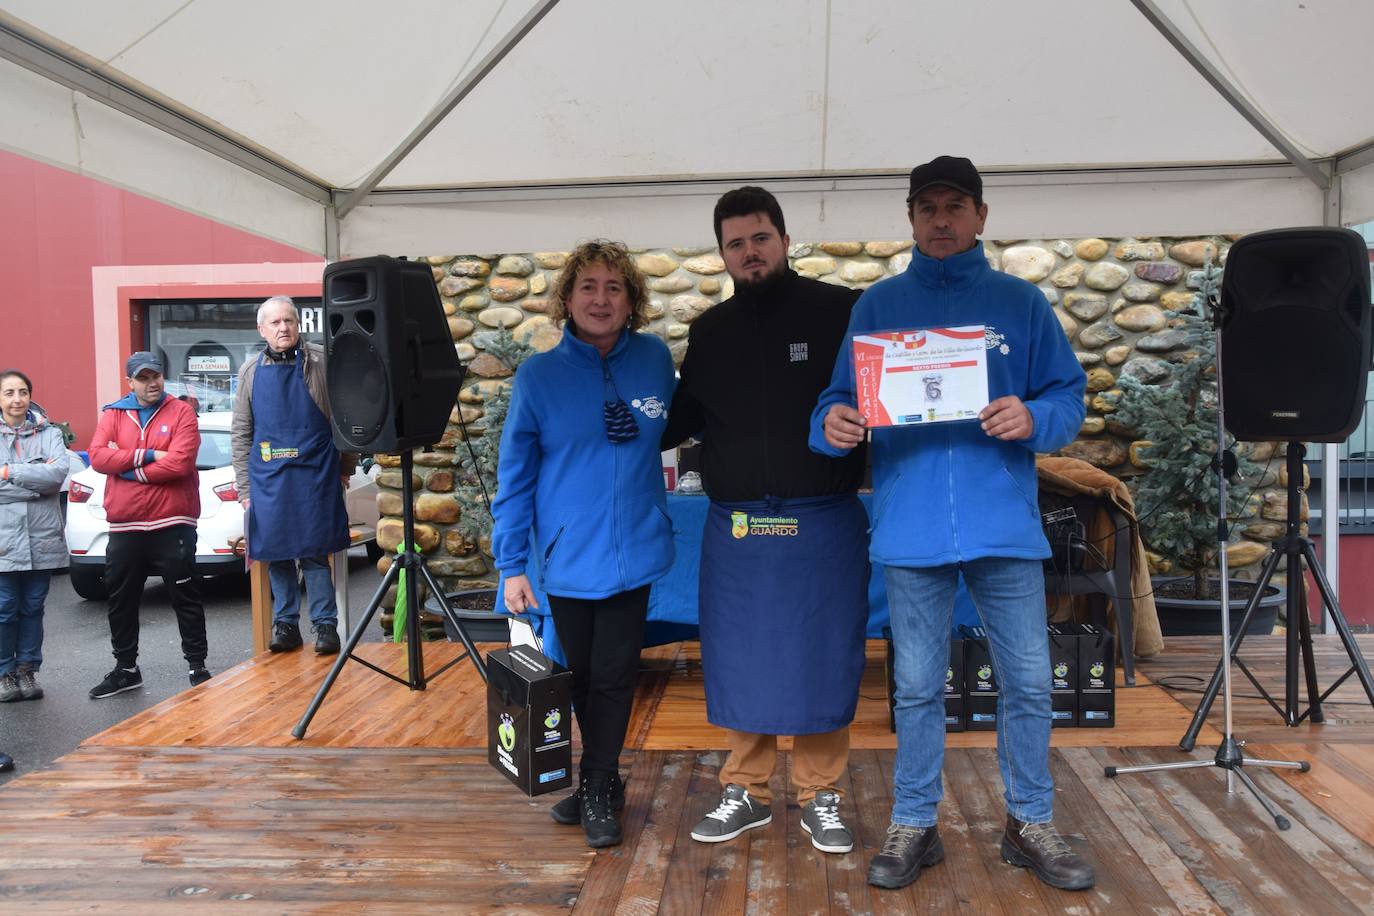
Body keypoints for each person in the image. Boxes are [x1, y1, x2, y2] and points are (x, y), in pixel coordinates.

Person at [812, 155, 1093, 890]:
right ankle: (915, 823)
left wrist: (1034, 416)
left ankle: (1029, 821)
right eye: (927, 208)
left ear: (981, 217)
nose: (941, 220)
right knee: (913, 689)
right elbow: (835, 400)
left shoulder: (1021, 303)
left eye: (955, 206)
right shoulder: (875, 305)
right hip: (909, 527)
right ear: (910, 219)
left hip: (1003, 524)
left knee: (1030, 681)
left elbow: (1068, 396)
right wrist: (833, 423)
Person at [662, 187, 869, 855]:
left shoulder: (841, 312)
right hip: (741, 525)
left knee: (824, 653)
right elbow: (680, 417)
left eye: (760, 238)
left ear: (784, 238)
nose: (749, 253)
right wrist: (613, 409)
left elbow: (881, 398)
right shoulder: (710, 332)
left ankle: (821, 795)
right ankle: (745, 791)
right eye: (735, 243)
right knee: (739, 656)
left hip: (823, 517)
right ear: (722, 254)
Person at [493, 240, 675, 849]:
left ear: (632, 301)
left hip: (637, 551)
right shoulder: (538, 377)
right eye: (589, 287)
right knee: (577, 673)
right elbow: (514, 478)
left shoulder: (654, 361)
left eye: (615, 288)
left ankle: (597, 782)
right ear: (567, 299)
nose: (601, 299)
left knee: (617, 673)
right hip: (567, 558)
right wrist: (511, 563)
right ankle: (604, 777)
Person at [231, 296, 354, 656]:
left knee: (315, 553)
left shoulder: (321, 362)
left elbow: (344, 420)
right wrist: (244, 489)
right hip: (268, 479)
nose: (283, 328)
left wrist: (345, 469)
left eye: (288, 320)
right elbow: (241, 433)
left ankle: (325, 626)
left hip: (316, 475)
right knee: (277, 554)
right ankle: (285, 625)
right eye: (275, 323)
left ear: (298, 324)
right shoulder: (250, 372)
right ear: (261, 329)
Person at [87, 352, 211, 697]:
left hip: (172, 521)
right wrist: (152, 454)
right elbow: (97, 457)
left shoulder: (182, 411)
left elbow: (181, 464)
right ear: (130, 382)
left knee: (185, 595)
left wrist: (125, 466)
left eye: (155, 375)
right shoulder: (114, 413)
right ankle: (126, 668)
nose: (151, 382)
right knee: (120, 598)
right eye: (143, 378)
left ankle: (197, 666)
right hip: (126, 525)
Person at [0, 370, 68, 703]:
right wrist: (34, 482)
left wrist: (10, 472)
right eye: (9, 392)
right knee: (4, 609)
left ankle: (27, 669)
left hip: (41, 537)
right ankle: (5, 673)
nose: (17, 399)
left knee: (32, 608)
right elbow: (43, 480)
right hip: (3, 541)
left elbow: (56, 477)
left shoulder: (50, 433)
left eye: (22, 392)